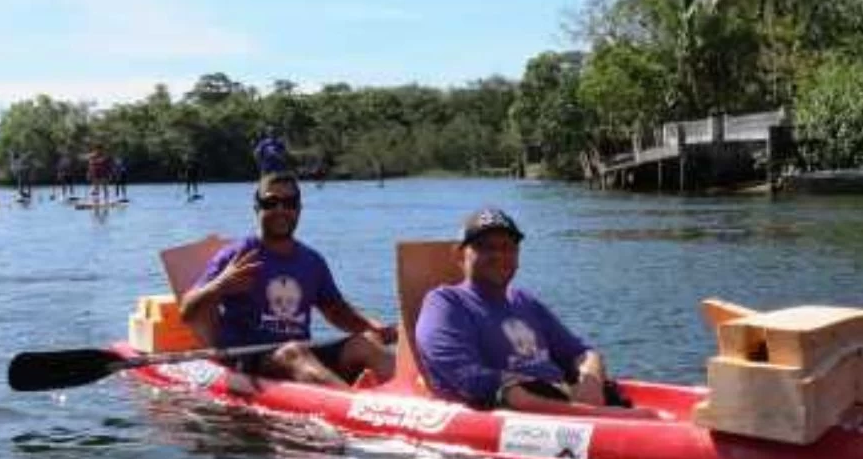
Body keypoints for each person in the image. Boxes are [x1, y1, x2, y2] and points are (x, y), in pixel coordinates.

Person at [416, 207, 650, 417]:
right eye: (486, 247)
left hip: (563, 399)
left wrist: (591, 383)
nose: (499, 255)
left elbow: (582, 353)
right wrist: (590, 414)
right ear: (459, 254)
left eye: (508, 247)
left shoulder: (523, 300)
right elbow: (467, 378)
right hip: (517, 413)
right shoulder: (445, 303)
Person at [180, 171, 395, 390]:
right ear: (257, 208)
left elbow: (337, 312)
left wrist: (373, 327)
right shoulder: (237, 254)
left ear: (299, 210)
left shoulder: (312, 261)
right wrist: (220, 285)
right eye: (271, 202)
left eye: (289, 203)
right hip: (249, 359)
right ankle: (357, 405)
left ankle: (419, 401)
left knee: (364, 343)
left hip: (301, 355)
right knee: (293, 352)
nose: (280, 209)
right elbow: (187, 310)